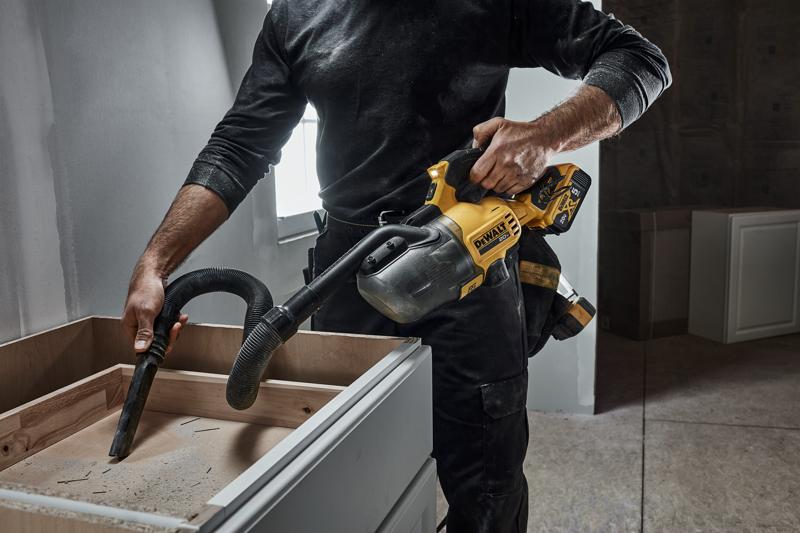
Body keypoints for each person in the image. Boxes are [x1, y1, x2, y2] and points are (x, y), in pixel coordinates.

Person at [122, 1, 670, 530]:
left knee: (487, 488)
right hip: (348, 272)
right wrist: (156, 262)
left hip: (466, 264)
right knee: (351, 472)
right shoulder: (296, 14)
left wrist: (545, 137)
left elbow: (640, 61)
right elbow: (239, 146)